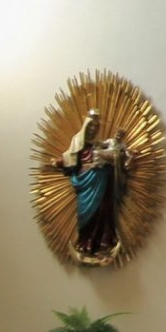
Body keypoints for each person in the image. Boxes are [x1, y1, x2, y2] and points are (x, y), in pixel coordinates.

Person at [55, 109, 128, 260]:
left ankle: (103, 243)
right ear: (86, 126)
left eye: (96, 126)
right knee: (86, 213)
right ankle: (85, 242)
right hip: (84, 182)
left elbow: (117, 156)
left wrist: (114, 159)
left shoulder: (101, 144)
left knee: (103, 210)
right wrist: (59, 162)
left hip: (102, 182)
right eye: (91, 126)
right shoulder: (77, 142)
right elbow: (71, 159)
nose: (93, 129)